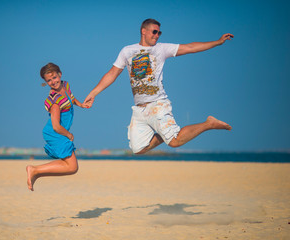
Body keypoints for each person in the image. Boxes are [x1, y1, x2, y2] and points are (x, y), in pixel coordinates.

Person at [84, 19, 233, 154]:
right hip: (139, 109)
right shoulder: (127, 51)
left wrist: (217, 42)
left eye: (159, 33)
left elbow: (191, 47)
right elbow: (112, 73)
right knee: (138, 148)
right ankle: (164, 134)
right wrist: (94, 93)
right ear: (144, 31)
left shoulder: (161, 49)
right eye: (154, 32)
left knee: (174, 141)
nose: (157, 35)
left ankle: (208, 124)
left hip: (158, 104)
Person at [26, 63, 88, 191]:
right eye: (49, 80)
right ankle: (34, 170)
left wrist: (80, 104)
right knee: (72, 167)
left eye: (54, 77)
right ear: (45, 82)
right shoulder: (54, 101)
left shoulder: (65, 85)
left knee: (70, 166)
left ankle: (35, 172)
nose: (53, 82)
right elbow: (55, 126)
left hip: (60, 133)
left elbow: (71, 97)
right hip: (55, 133)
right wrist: (69, 135)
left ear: (60, 74)